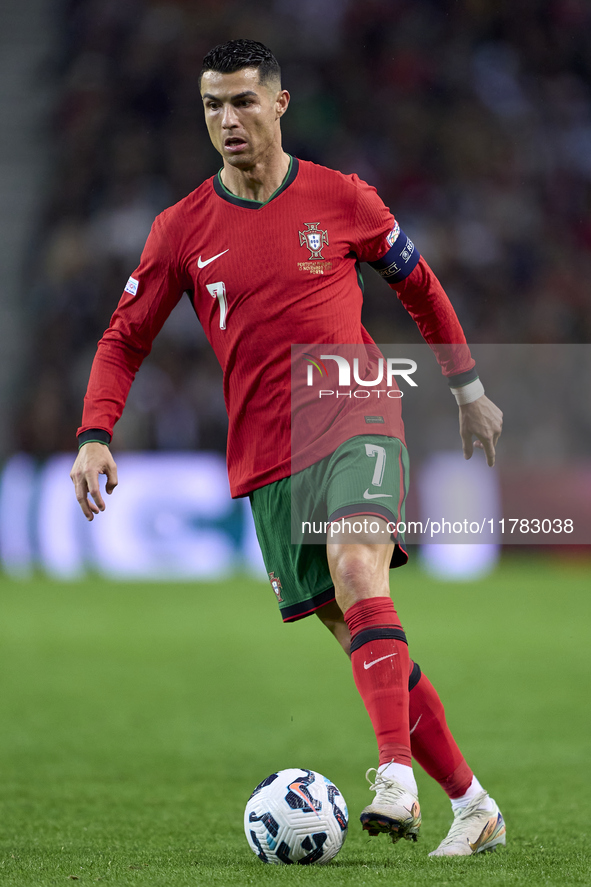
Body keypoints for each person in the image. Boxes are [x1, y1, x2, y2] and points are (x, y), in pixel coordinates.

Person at [70, 39, 505, 857]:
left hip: (354, 411)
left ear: (279, 104)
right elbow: (124, 338)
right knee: (366, 640)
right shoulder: (181, 229)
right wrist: (96, 431)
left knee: (354, 565)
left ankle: (392, 779)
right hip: (267, 459)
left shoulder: (342, 198)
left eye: (240, 101)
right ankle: (473, 802)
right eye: (211, 105)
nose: (226, 120)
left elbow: (418, 284)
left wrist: (467, 386)